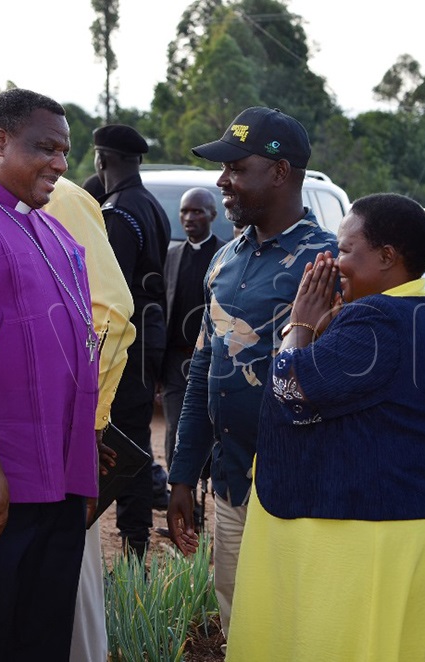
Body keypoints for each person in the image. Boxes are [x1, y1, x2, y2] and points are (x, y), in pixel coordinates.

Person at [0, 91, 135, 662]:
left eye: (65, 150)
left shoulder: (59, 237)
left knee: (41, 643)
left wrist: (84, 472)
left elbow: (84, 349)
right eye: (44, 147)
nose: (61, 163)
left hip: (59, 496)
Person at [226, 193, 425, 660]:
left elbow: (288, 386)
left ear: (386, 257)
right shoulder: (414, 310)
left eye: (343, 249)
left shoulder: (375, 318)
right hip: (402, 522)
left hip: (381, 528)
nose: (332, 262)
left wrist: (298, 326)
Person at [166, 106, 337, 637]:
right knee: (240, 627)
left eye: (237, 169)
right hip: (231, 486)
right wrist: (181, 474)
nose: (223, 182)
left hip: (299, 493)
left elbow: (339, 386)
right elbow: (202, 373)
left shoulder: (328, 265)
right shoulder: (225, 261)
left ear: (280, 173)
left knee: (298, 629)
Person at [93, 123, 170, 556]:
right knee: (136, 437)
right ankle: (134, 540)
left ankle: (133, 544)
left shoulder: (118, 211)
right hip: (150, 336)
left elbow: (111, 294)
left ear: (102, 160)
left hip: (130, 343)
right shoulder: (150, 204)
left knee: (124, 442)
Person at [161, 187, 221, 470]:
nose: (189, 217)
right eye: (185, 211)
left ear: (212, 214)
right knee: (175, 428)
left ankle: (206, 486)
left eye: (196, 211)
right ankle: (180, 493)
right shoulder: (171, 256)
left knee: (209, 426)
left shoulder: (225, 256)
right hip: (176, 360)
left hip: (212, 361)